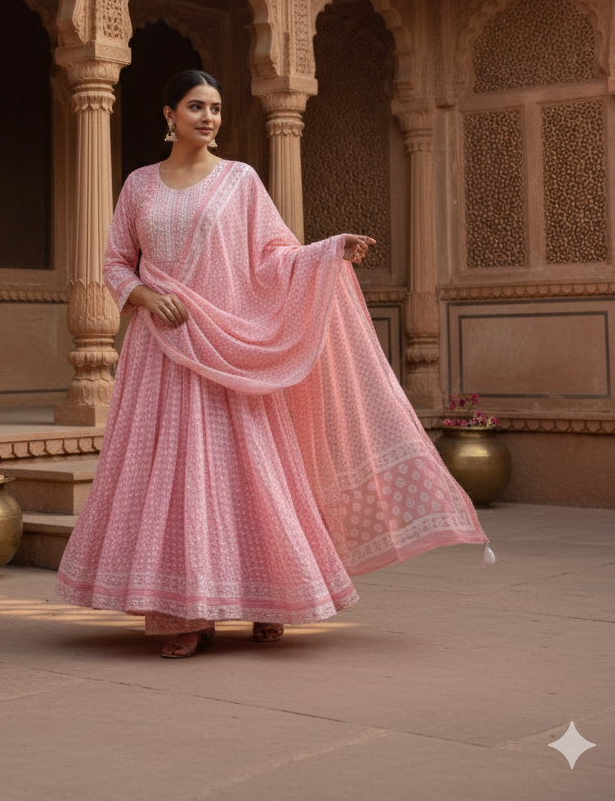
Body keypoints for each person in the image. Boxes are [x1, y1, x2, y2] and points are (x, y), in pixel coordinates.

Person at [57, 69, 488, 657]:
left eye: (214, 108)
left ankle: (272, 596)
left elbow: (275, 257)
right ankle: (184, 614)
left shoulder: (239, 181)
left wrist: (328, 251)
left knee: (249, 473)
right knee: (173, 480)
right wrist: (145, 297)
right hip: (161, 351)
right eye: (194, 107)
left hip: (229, 350)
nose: (208, 117)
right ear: (168, 115)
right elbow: (113, 264)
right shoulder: (138, 186)